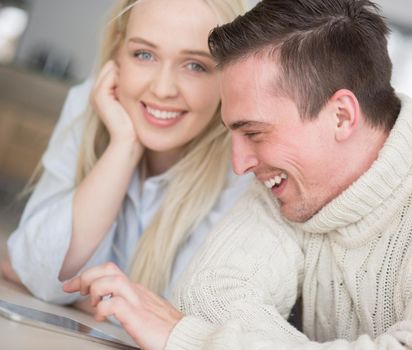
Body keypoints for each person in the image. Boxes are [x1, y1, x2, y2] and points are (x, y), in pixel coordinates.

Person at [62, 0, 412, 349]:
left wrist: (190, 340)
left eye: (255, 133)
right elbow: (205, 300)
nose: (239, 163)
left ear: (342, 115)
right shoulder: (292, 185)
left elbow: (193, 327)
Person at [2, 0, 249, 304]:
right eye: (144, 55)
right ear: (118, 54)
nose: (162, 89)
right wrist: (123, 147)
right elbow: (37, 270)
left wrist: (89, 301)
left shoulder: (245, 163)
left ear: (229, 75)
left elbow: (196, 316)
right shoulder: (91, 105)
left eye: (195, 65)